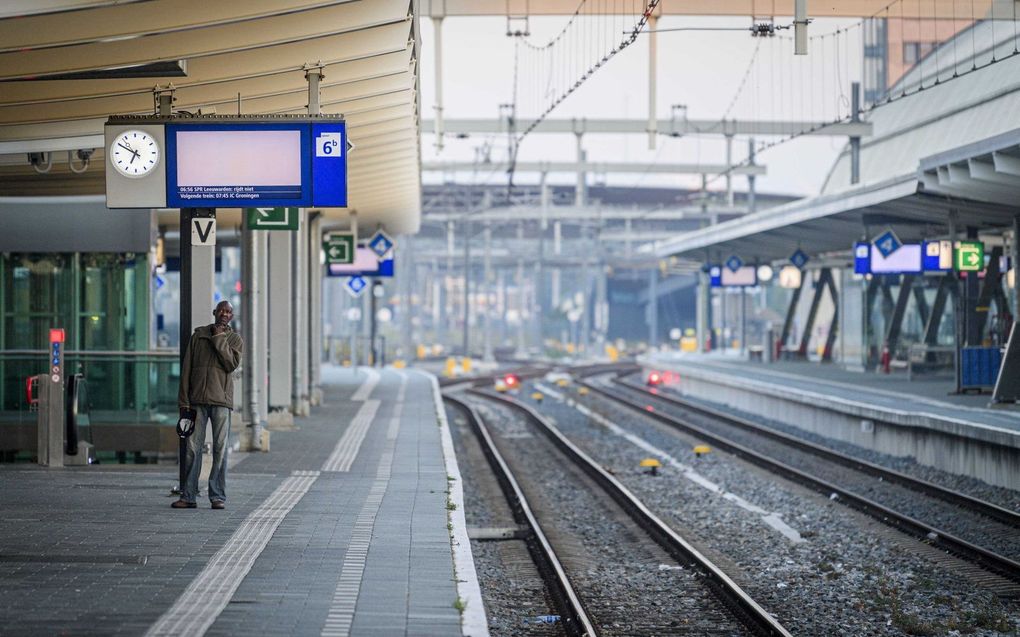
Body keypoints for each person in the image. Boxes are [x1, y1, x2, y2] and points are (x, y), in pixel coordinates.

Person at [173, 300, 243, 510]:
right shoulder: (199, 336)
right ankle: (188, 496)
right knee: (192, 450)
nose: (224, 313)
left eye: (229, 311)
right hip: (196, 402)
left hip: (221, 402)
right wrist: (184, 401)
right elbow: (187, 369)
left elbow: (230, 364)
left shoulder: (234, 339)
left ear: (231, 316)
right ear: (214, 312)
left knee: (220, 449)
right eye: (221, 310)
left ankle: (217, 496)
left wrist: (219, 337)